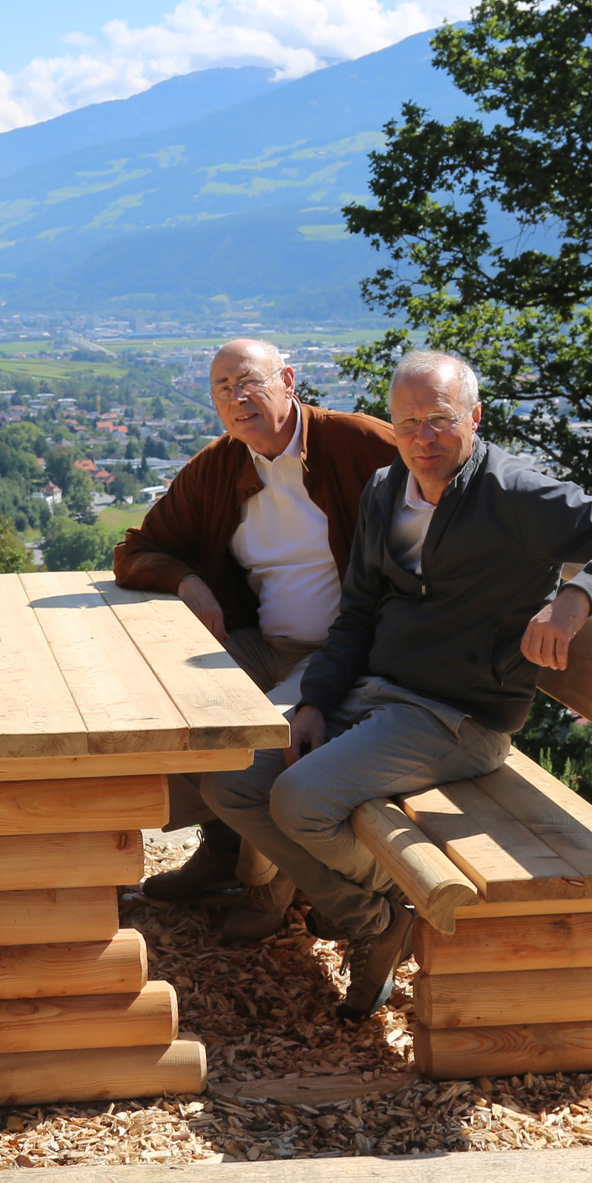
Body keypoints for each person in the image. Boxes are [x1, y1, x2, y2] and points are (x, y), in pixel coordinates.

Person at [204, 351, 592, 1021]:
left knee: (300, 799)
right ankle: (374, 910)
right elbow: (358, 614)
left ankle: (378, 915)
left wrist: (579, 594)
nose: (423, 439)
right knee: (233, 773)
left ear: (474, 417)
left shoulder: (514, 495)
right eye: (407, 423)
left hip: (458, 716)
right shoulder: (384, 491)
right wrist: (315, 699)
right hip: (374, 693)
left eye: (440, 421)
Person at [112, 338, 400, 942]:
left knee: (252, 750)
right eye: (222, 389)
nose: (237, 398)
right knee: (163, 705)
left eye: (248, 381)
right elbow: (137, 550)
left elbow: (449, 490)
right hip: (265, 644)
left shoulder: (359, 443)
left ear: (288, 380)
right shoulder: (221, 466)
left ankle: (272, 885)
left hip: (345, 656)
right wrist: (188, 580)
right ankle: (221, 852)